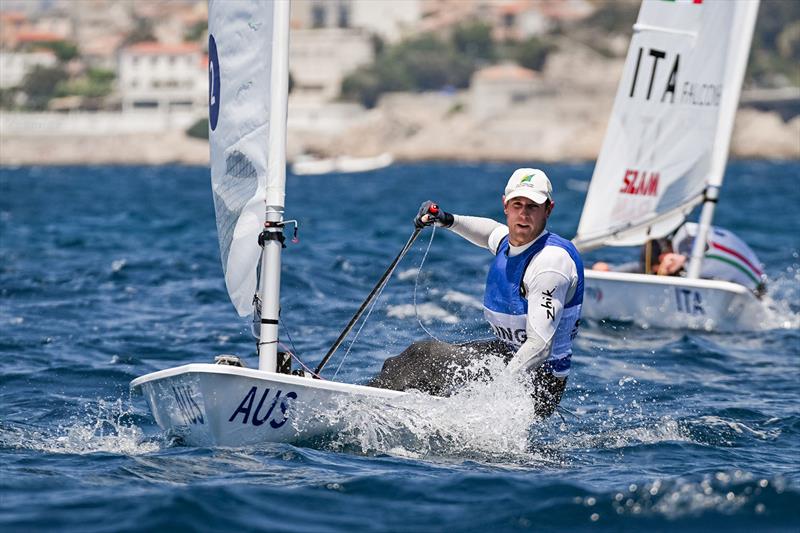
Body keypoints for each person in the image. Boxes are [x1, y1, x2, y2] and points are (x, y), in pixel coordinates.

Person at [369, 168, 584, 418]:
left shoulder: (550, 263)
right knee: (412, 366)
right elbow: (490, 232)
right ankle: (390, 410)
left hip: (539, 380)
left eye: (532, 207)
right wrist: (447, 220)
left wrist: (495, 391)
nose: (523, 214)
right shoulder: (511, 242)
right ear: (505, 205)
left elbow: (540, 346)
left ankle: (365, 407)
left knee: (423, 356)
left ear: (548, 209)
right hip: (507, 355)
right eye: (517, 205)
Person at [592, 223, 767, 296]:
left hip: (749, 293)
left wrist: (684, 259)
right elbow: (642, 270)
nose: (660, 271)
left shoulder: (687, 240)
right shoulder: (681, 237)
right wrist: (610, 271)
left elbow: (705, 250)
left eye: (657, 267)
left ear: (664, 256)